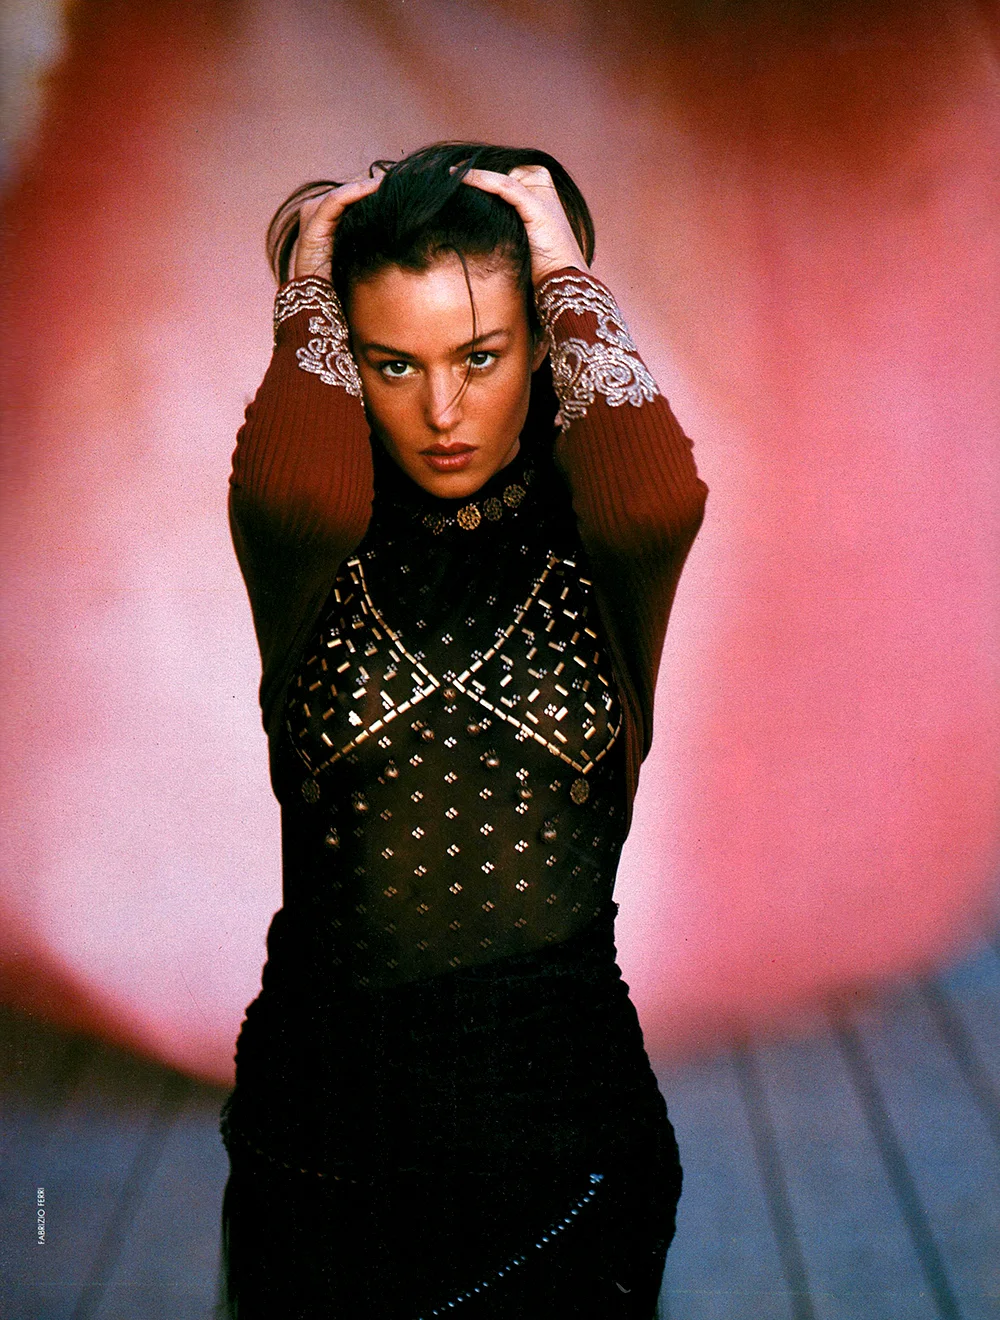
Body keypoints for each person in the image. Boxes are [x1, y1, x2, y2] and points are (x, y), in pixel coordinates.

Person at [218, 141, 708, 1319]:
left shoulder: (602, 550)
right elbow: (291, 485)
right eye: (392, 363)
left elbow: (656, 495)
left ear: (541, 344)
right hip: (319, 1149)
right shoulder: (312, 548)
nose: (441, 412)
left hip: (566, 1152)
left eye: (480, 356)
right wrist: (309, 275)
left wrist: (561, 268)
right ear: (346, 359)